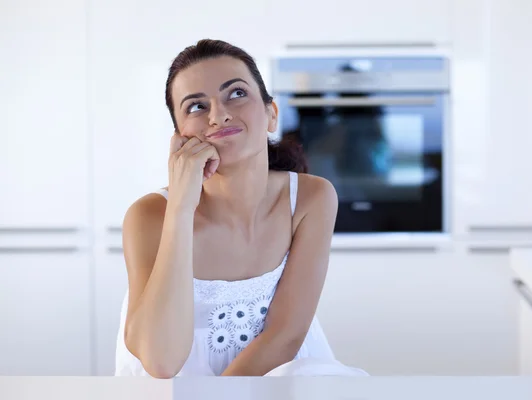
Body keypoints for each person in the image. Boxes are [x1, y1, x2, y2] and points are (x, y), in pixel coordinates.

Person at [113, 39, 368, 378]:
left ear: (271, 114)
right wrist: (181, 206)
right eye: (195, 107)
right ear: (179, 138)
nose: (218, 115)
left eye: (235, 93)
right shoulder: (148, 216)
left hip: (273, 379)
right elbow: (161, 362)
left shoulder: (312, 199)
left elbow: (285, 335)